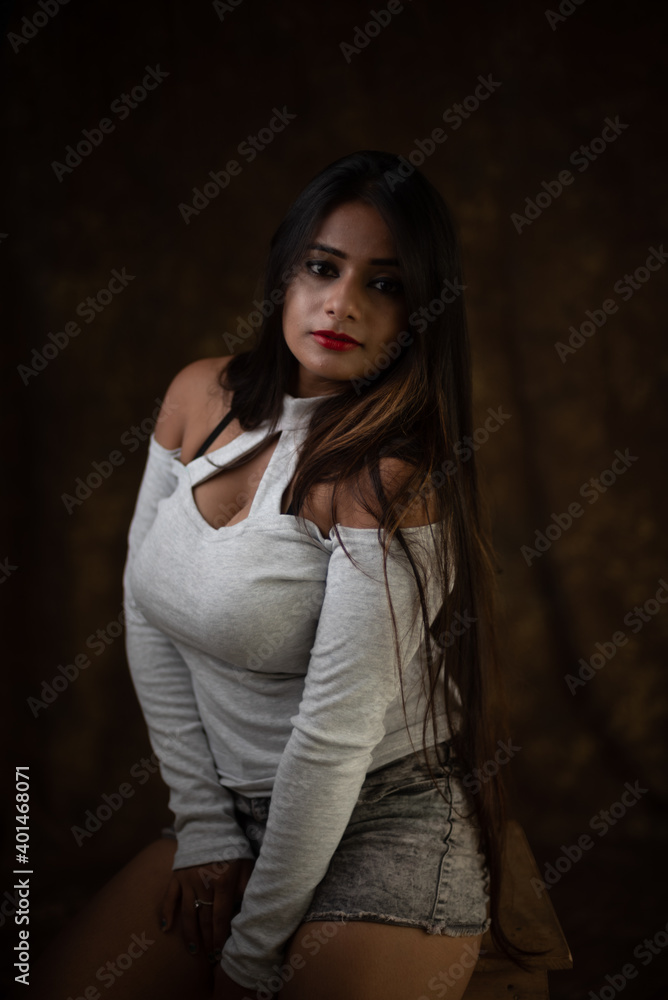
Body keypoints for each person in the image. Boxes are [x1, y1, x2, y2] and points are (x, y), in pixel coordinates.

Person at [31, 150, 525, 1000]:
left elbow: (334, 739)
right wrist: (204, 828)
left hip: (385, 816)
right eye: (323, 268)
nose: (341, 303)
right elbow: (146, 612)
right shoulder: (198, 395)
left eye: (387, 284)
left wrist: (250, 955)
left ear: (420, 314)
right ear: (286, 271)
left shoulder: (389, 480)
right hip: (236, 809)